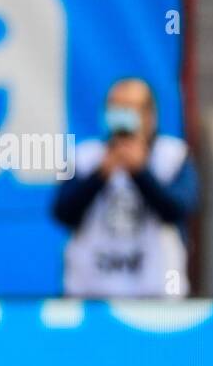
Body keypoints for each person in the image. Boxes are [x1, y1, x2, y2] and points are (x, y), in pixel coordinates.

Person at [52, 77, 198, 297]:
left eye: (129, 108)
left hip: (157, 299)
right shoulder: (85, 157)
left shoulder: (173, 156)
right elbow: (62, 212)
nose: (121, 116)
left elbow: (178, 209)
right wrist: (100, 175)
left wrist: (140, 173)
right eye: (115, 107)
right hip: (91, 297)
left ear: (150, 116)